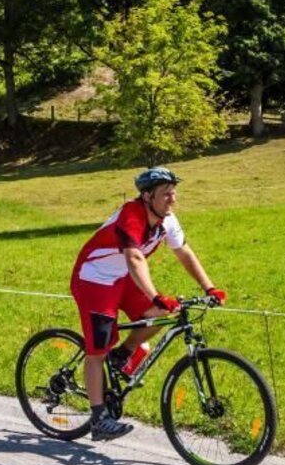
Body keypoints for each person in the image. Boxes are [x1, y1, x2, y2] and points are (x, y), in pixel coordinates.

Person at [70, 166, 226, 441]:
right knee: (97, 350)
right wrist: (154, 294)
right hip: (95, 279)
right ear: (146, 195)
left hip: (122, 278)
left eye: (174, 193)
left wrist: (209, 287)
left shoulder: (167, 220)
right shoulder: (131, 215)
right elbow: (135, 259)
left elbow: (184, 252)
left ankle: (121, 355)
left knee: (162, 312)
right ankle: (98, 418)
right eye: (166, 194)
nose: (173, 199)